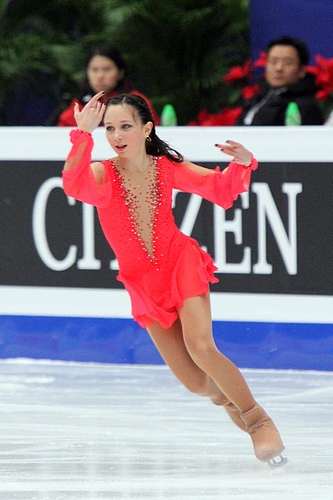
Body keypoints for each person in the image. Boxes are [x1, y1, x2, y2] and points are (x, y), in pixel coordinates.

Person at [62, 91, 287, 467]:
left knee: (201, 347)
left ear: (147, 128)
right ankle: (241, 411)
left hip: (179, 263)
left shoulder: (166, 167)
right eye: (110, 128)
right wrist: (81, 136)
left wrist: (244, 164)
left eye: (126, 126)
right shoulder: (103, 173)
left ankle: (259, 420)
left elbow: (218, 188)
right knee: (198, 384)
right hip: (143, 283)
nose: (117, 135)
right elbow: (74, 185)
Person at [57, 44, 160, 126]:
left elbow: (153, 136)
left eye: (107, 69)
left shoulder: (136, 101)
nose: (100, 76)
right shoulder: (80, 104)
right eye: (94, 70)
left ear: (120, 73)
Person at [236, 36, 324, 126]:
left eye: (287, 63)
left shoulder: (306, 106)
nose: (278, 68)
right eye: (273, 62)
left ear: (302, 70)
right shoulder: (258, 98)